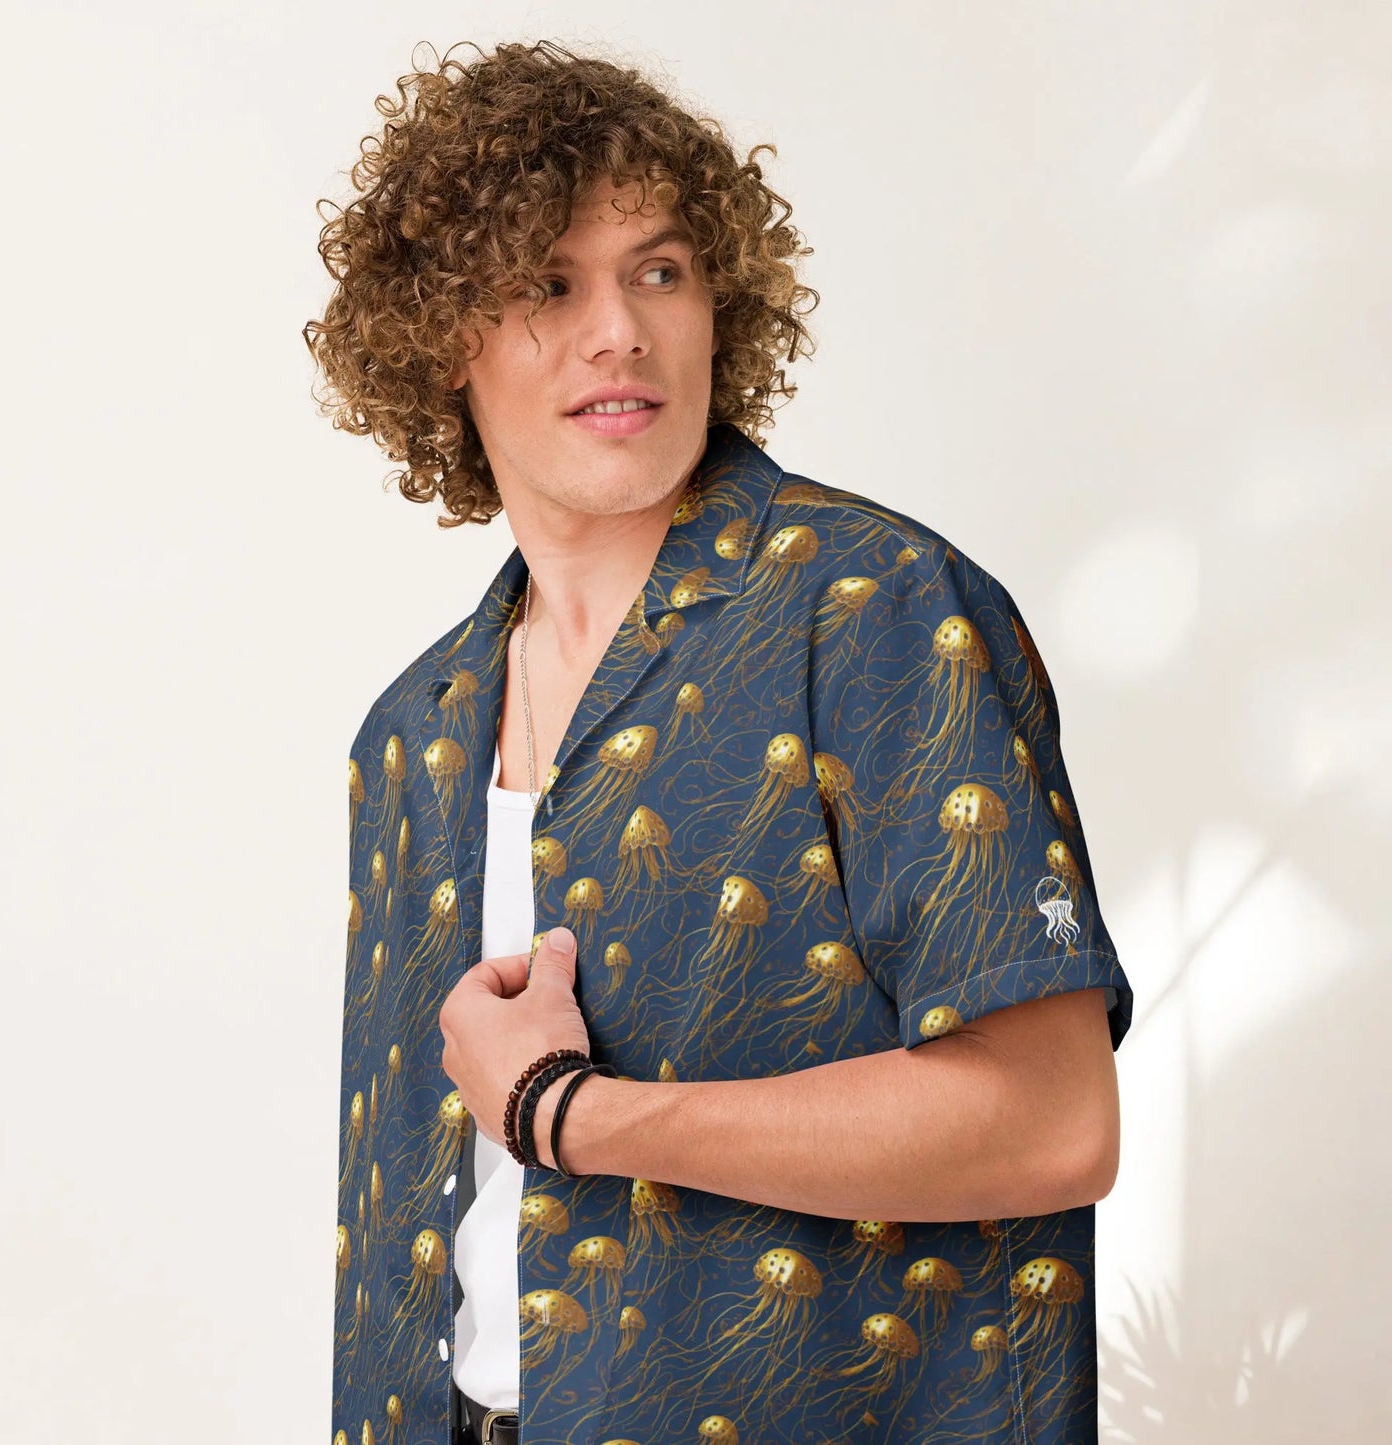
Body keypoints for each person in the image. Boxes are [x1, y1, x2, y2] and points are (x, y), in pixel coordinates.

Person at [305, 38, 1133, 1445]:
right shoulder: (412, 736)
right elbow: (405, 1237)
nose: (618, 330)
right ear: (443, 339)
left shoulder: (872, 613)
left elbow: (1053, 1121)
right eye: (546, 284)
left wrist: (571, 1113)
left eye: (660, 271)